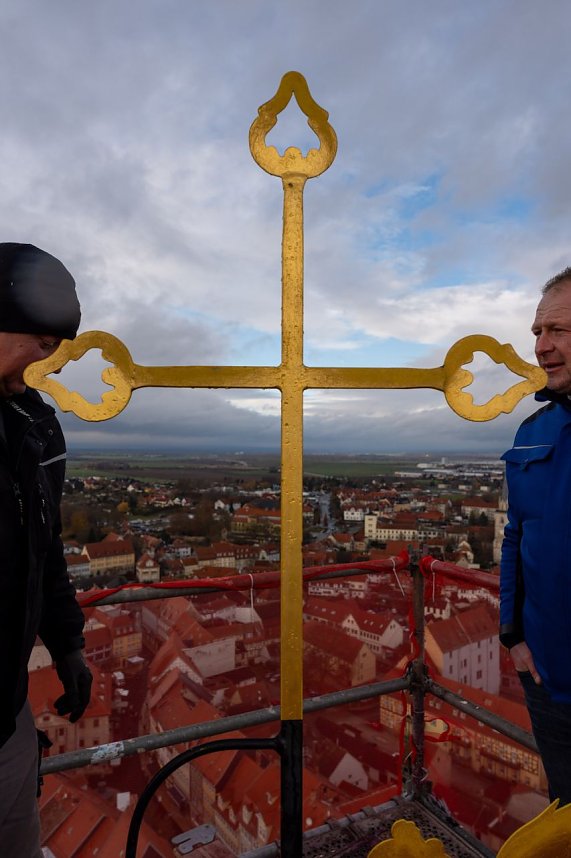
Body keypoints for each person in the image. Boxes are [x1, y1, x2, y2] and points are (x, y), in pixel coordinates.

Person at [0, 243, 92, 856]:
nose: (48, 364)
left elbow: (45, 547)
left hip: (6, 719)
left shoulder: (36, 426)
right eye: (42, 344)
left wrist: (69, 644)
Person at [501, 265, 571, 806]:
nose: (542, 348)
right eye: (537, 333)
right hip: (548, 676)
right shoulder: (532, 433)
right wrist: (512, 637)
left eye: (558, 332)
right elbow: (514, 537)